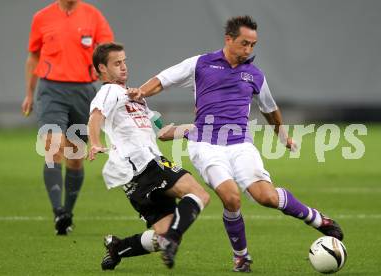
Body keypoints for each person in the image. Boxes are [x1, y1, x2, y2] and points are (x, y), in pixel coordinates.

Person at [129, 15, 344, 272]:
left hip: (241, 144)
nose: (249, 50)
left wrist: (282, 135)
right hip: (206, 145)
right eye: (244, 43)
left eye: (253, 45)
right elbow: (163, 79)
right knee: (231, 198)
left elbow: (270, 108)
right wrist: (140, 92)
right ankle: (241, 257)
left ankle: (319, 220)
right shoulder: (201, 63)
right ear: (228, 39)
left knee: (265, 196)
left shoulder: (254, 74)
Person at [88, 42, 210, 270]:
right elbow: (96, 116)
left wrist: (195, 129)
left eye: (124, 61)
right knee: (199, 194)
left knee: (163, 234)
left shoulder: (136, 97)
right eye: (117, 63)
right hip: (146, 164)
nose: (124, 67)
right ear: (102, 69)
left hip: (134, 177)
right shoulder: (109, 91)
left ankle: (118, 248)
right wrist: (95, 143)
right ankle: (171, 240)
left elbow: (162, 132)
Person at [21, 0, 114, 235]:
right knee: (53, 146)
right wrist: (29, 94)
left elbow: (107, 54)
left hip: (84, 91)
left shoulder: (93, 16)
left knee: (75, 156)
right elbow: (33, 58)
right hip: (51, 90)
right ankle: (58, 211)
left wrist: (108, 87)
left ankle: (67, 214)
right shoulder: (41, 17)